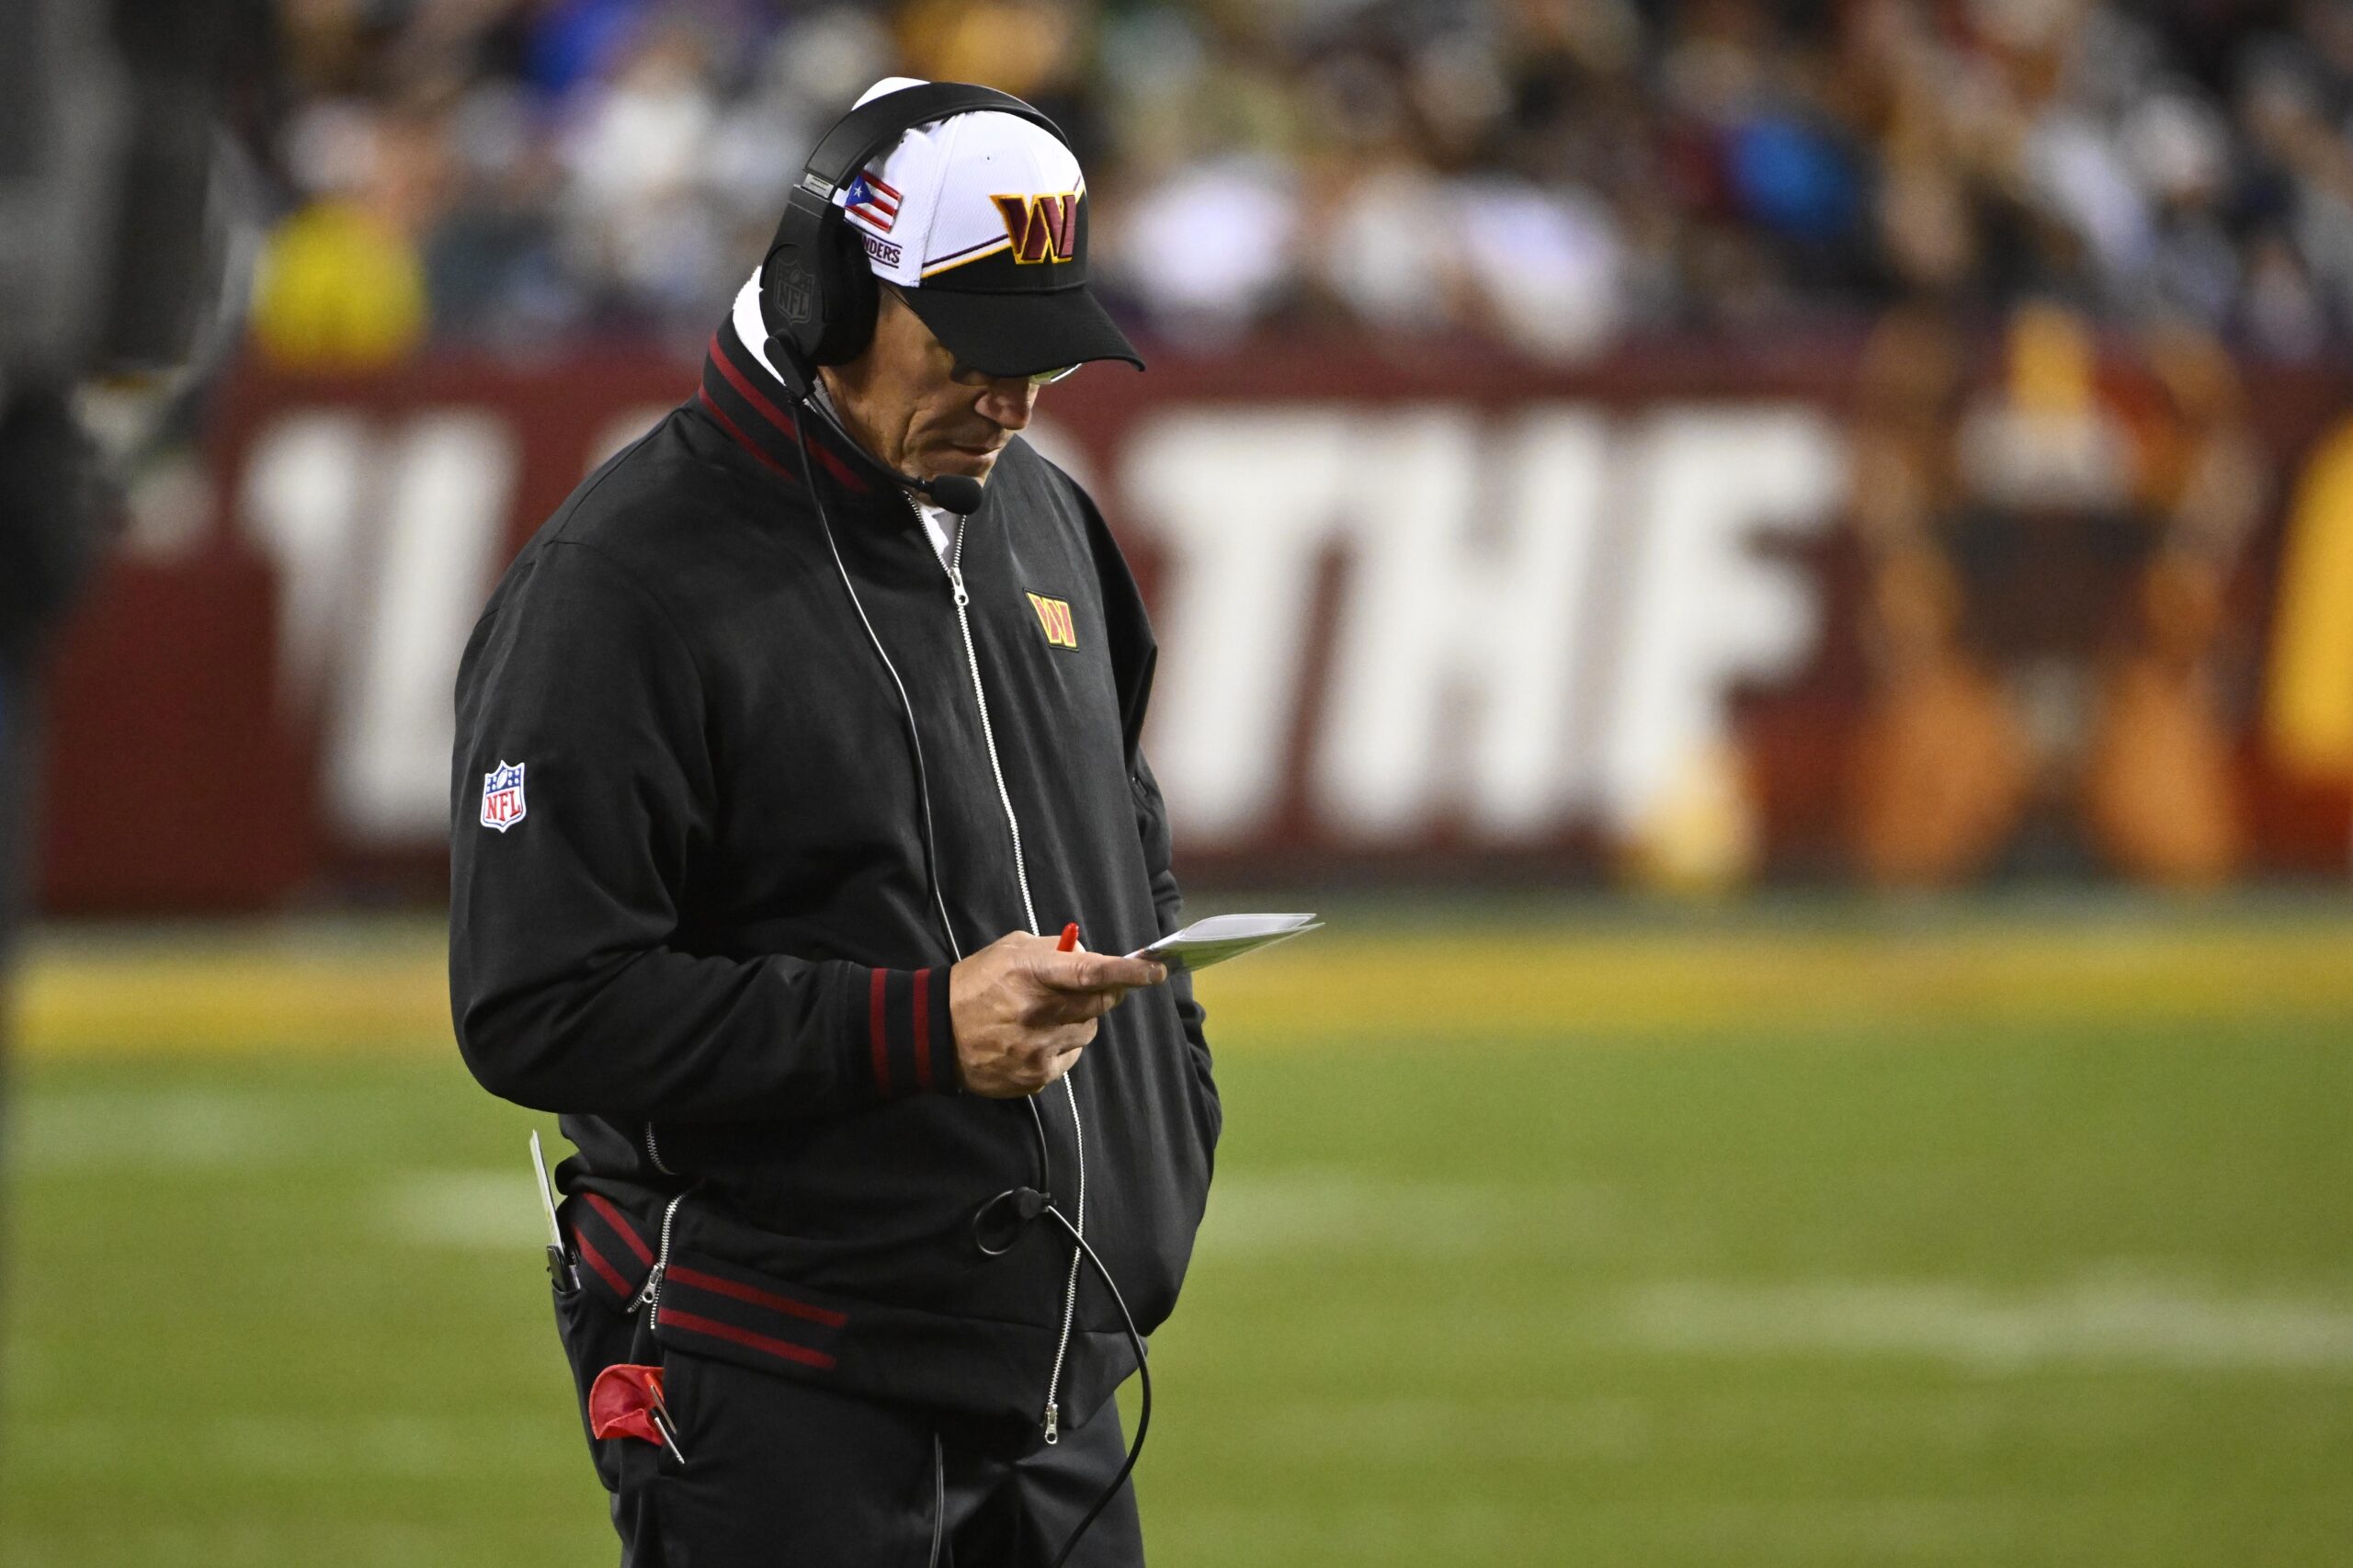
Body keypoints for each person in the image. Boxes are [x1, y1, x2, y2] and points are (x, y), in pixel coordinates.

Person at [449, 79, 1217, 1567]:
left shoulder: (1043, 515)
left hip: (1056, 1392)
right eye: (976, 349)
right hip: (784, 1391)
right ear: (828, 291)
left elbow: (1125, 836)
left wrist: (1165, 1120)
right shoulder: (622, 583)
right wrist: (922, 1028)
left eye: (1046, 351)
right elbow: (536, 1003)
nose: (1020, 395)